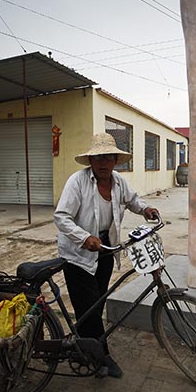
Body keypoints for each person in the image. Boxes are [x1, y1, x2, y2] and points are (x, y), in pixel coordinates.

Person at [54, 133, 159, 378]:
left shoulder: (119, 182)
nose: (103, 162)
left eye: (108, 158)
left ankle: (83, 344)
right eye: (98, 158)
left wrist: (146, 209)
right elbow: (61, 217)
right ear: (91, 161)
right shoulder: (77, 182)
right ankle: (102, 357)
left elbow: (133, 200)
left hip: (105, 251)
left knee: (95, 304)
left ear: (115, 160)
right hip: (78, 255)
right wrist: (84, 237)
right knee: (88, 306)